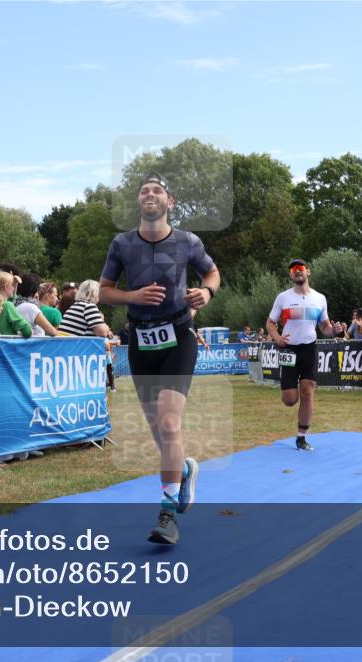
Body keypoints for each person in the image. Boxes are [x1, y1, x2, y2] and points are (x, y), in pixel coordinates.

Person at [98, 172, 220, 545]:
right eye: (143, 191)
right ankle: (184, 470)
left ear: (170, 202)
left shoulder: (188, 241)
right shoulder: (122, 244)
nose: (149, 194)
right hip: (141, 341)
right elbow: (104, 292)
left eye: (157, 190)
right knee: (160, 431)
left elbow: (212, 273)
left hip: (178, 337)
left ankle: (167, 515)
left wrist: (207, 293)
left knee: (169, 424)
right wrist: (132, 297)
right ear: (139, 201)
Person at [266, 258, 343, 452]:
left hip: (309, 348)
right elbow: (270, 323)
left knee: (308, 391)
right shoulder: (283, 298)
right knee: (290, 400)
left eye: (300, 268)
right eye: (293, 269)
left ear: (308, 272)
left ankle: (301, 437)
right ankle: (289, 391)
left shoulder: (319, 298)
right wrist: (276, 337)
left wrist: (333, 331)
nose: (297, 271)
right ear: (290, 275)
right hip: (289, 349)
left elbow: (324, 326)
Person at [0, 270, 32, 337]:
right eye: (12, 285)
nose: (13, 288)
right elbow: (27, 332)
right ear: (5, 287)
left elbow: (10, 301)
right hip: (7, 343)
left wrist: (15, 284)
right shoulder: (7, 305)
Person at [16, 272, 62, 336]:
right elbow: (53, 332)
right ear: (33, 290)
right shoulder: (30, 307)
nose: (38, 294)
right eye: (37, 290)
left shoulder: (17, 304)